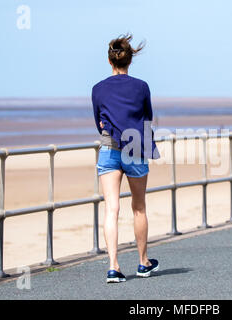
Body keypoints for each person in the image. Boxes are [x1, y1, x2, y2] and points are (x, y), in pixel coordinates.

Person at [91, 34, 160, 283]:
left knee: (111, 209)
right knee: (139, 208)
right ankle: (143, 263)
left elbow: (98, 121)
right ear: (129, 61)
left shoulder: (98, 89)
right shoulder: (141, 86)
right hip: (135, 148)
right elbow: (148, 117)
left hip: (109, 147)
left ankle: (113, 267)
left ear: (110, 61)